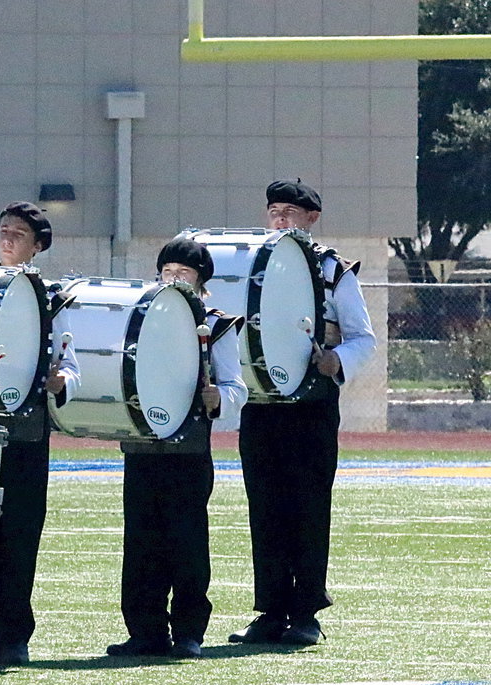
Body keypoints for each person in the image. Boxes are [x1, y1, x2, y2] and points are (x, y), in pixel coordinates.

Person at [229, 180, 376, 646]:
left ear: (312, 219)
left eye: (290, 212)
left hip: (312, 406)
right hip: (261, 404)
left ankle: (307, 612)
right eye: (274, 210)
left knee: (309, 507)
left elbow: (363, 338)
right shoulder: (252, 266)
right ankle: (271, 611)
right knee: (264, 508)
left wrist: (336, 361)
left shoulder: (333, 269)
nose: (280, 219)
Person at [105, 238, 247, 659]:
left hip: (189, 450)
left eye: (183, 273)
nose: (173, 279)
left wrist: (218, 398)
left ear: (201, 281)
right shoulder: (141, 319)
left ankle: (188, 631)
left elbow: (235, 386)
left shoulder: (216, 325)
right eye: (167, 272)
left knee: (187, 543)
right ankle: (144, 630)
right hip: (143, 447)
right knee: (140, 542)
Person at [0, 202, 80, 666]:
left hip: (27, 433)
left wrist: (63, 380)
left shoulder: (51, 299)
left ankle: (14, 637)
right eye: (3, 230)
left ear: (38, 246)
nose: (8, 239)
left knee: (20, 536)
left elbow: (69, 362)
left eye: (19, 234)